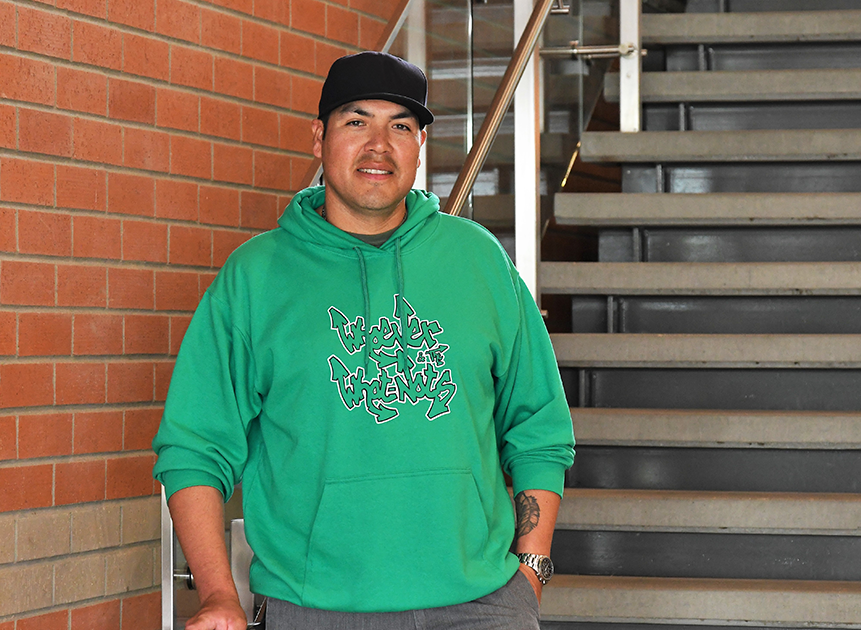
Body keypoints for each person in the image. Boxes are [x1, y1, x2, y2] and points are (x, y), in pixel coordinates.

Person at [151, 51, 576, 630]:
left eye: (400, 126)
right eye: (357, 121)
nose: (380, 145)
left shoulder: (477, 261)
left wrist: (530, 573)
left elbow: (539, 428)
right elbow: (195, 447)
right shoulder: (255, 278)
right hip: (315, 611)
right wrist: (219, 595)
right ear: (318, 137)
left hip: (482, 607)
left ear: (420, 145)